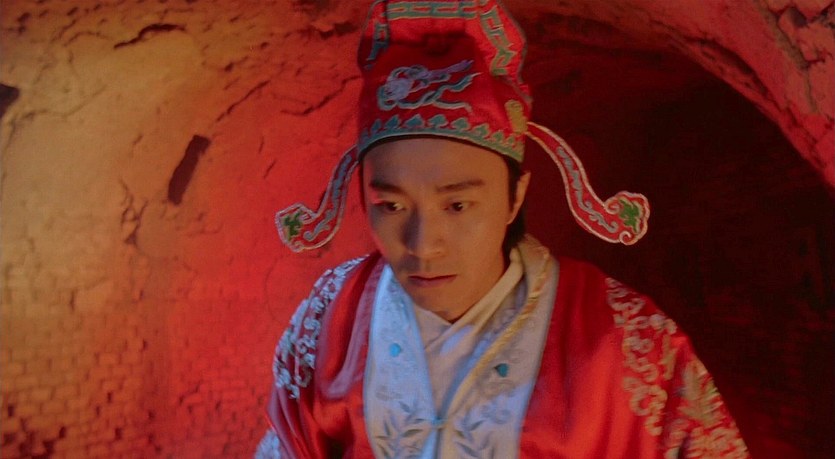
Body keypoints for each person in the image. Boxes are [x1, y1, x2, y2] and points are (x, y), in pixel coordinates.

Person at [257, 1, 749, 457]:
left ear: (515, 197)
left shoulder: (621, 335)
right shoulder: (333, 316)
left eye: (458, 205)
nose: (423, 245)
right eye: (391, 205)